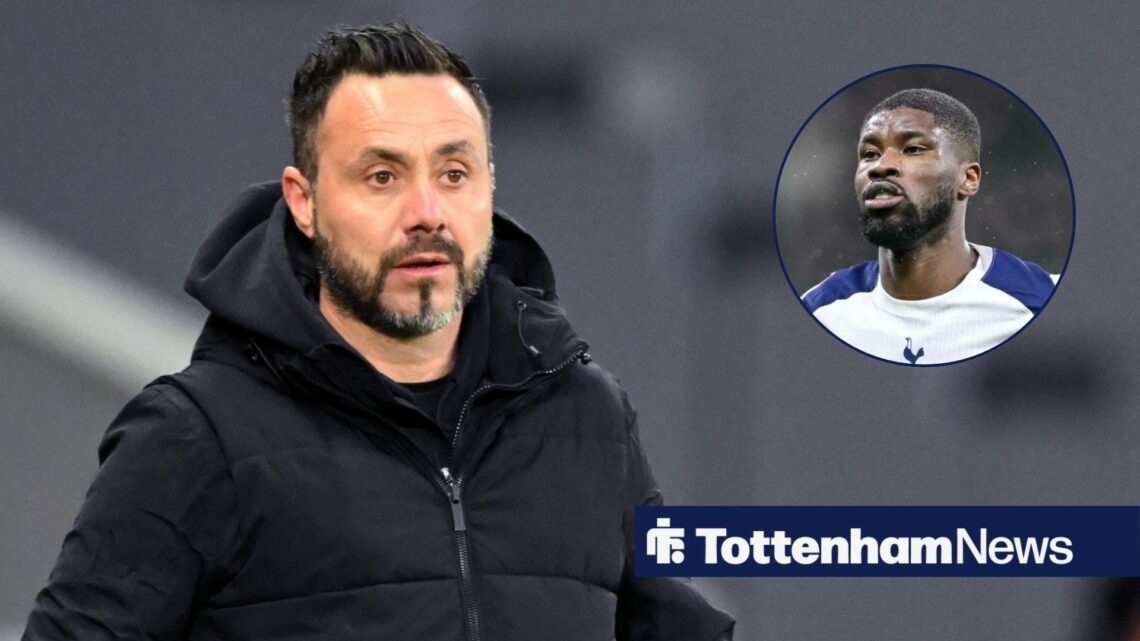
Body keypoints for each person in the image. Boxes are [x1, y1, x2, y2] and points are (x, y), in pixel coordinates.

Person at [23, 24, 733, 640]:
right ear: (304, 201)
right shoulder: (195, 438)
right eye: (382, 176)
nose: (426, 211)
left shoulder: (589, 418)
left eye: (454, 173)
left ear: (488, 186)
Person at [801, 88, 1058, 365]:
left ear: (968, 179)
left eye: (913, 149)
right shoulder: (822, 309)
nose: (880, 167)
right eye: (870, 153)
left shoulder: (1038, 300)